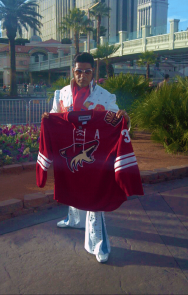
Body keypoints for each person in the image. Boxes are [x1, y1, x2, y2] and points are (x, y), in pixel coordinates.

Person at [41, 52, 130, 263]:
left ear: (93, 73)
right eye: (78, 71)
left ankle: (98, 243)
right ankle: (74, 219)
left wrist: (123, 118)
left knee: (94, 195)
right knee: (72, 185)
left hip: (95, 154)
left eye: (87, 71)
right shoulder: (61, 94)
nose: (82, 75)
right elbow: (56, 115)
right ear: (73, 71)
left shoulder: (105, 97)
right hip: (70, 150)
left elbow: (116, 122)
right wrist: (48, 118)